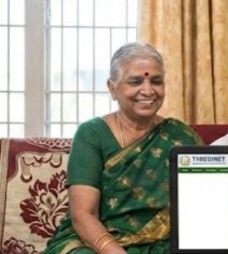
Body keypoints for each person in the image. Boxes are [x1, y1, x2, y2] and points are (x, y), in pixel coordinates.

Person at [44, 43, 203, 254]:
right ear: (112, 88)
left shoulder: (181, 136)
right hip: (96, 244)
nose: (148, 90)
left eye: (156, 81)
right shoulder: (92, 134)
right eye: (135, 81)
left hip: (162, 245)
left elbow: (203, 204)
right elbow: (83, 215)